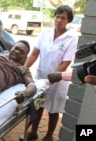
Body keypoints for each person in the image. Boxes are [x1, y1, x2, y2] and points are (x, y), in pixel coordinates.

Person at [23, 5, 78, 141]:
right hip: (41, 78)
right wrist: (23, 68)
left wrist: (53, 77)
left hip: (57, 81)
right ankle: (33, 132)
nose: (59, 20)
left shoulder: (71, 38)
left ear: (68, 20)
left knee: (53, 110)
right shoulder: (45, 33)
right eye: (57, 16)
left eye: (63, 18)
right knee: (38, 106)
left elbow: (65, 63)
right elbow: (34, 53)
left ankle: (48, 136)